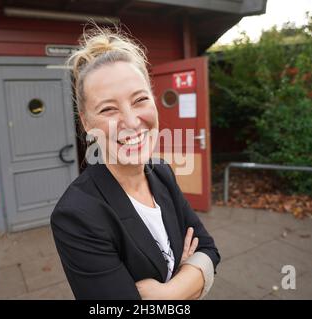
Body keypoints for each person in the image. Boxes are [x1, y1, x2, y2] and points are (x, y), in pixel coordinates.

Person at [50, 25, 220, 300]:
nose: (130, 122)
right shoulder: (76, 215)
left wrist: (168, 293)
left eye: (139, 99)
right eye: (108, 109)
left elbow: (209, 249)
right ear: (86, 121)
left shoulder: (162, 173)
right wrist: (192, 273)